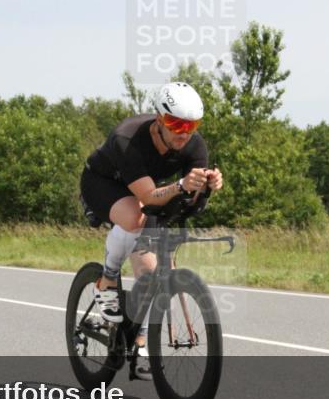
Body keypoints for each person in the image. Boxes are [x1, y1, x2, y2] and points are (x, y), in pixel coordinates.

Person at [79, 82, 224, 377]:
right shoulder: (128, 138)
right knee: (135, 217)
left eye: (191, 125)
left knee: (153, 270)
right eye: (175, 123)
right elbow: (146, 198)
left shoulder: (194, 145)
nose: (183, 132)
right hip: (104, 183)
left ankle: (141, 344)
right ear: (159, 119)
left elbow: (189, 203)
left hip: (149, 190)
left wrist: (206, 188)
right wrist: (182, 185)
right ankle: (107, 278)